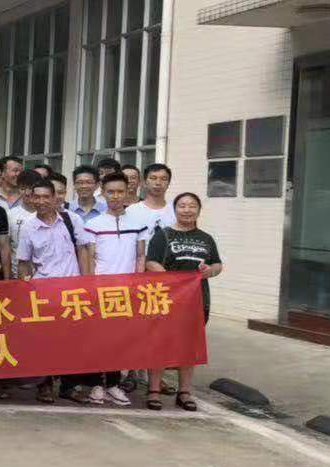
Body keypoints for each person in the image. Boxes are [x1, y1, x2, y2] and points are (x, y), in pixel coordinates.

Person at [16, 179, 92, 405]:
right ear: (31, 198)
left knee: (73, 341)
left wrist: (88, 284)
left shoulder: (71, 219)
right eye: (36, 197)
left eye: (45, 197)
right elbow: (23, 262)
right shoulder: (28, 227)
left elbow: (84, 251)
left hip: (73, 292)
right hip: (44, 293)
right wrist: (26, 290)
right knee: (45, 341)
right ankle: (45, 385)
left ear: (54, 198)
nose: (41, 201)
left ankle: (69, 386)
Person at [146, 192, 223, 413]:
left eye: (192, 206)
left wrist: (210, 271)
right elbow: (151, 263)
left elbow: (217, 265)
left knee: (189, 347)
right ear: (175, 209)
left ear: (198, 210)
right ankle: (153, 390)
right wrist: (174, 281)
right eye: (182, 205)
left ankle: (185, 392)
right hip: (166, 299)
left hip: (197, 300)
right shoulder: (163, 235)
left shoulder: (206, 238)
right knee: (160, 344)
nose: (187, 210)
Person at [79, 170, 149, 407]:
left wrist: (136, 286)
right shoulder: (93, 224)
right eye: (110, 192)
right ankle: (96, 385)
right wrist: (90, 287)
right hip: (100, 290)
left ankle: (113, 384)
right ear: (103, 192)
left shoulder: (138, 223)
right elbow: (89, 258)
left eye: (120, 191)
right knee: (97, 339)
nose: (116, 196)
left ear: (128, 191)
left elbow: (140, 256)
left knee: (119, 340)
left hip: (126, 292)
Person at [128, 162, 176, 234]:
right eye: (153, 178)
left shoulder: (175, 211)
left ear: (168, 183)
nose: (158, 183)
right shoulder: (131, 210)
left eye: (163, 179)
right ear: (144, 182)